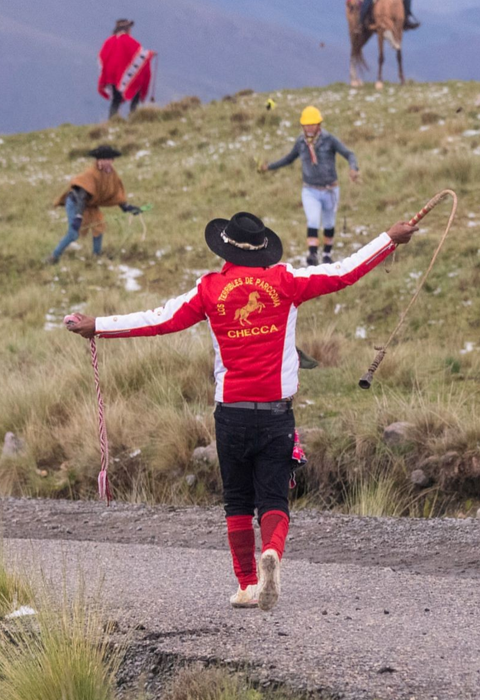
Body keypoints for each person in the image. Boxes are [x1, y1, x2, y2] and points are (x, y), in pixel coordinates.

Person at [65, 210, 417, 611]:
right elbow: (344, 271)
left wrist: (99, 326)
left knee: (236, 501)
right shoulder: (286, 281)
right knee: (273, 499)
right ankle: (272, 552)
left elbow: (160, 320)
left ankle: (247, 585)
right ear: (263, 247)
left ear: (225, 248)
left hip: (230, 412)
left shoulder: (210, 289)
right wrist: (389, 238)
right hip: (275, 413)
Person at [261, 106, 359, 266]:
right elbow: (289, 159)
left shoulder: (329, 139)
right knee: (313, 220)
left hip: (330, 190)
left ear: (319, 124)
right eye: (306, 125)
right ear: (302, 126)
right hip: (310, 190)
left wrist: (353, 168)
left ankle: (327, 254)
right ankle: (312, 255)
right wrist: (269, 167)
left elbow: (349, 154)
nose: (309, 128)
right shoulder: (300, 143)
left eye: (312, 124)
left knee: (329, 223)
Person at [47, 145, 142, 263]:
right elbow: (81, 196)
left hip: (90, 205)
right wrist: (78, 216)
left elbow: (116, 193)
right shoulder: (90, 174)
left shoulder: (112, 174)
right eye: (104, 159)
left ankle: (96, 255)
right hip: (75, 203)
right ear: (98, 160)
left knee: (99, 226)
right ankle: (53, 257)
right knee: (73, 234)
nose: (108, 162)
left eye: (110, 159)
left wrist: (127, 207)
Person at [98, 19, 154, 119]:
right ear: (127, 29)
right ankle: (133, 116)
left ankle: (112, 120)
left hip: (111, 76)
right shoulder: (130, 41)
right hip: (123, 75)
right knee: (136, 92)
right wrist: (150, 54)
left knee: (116, 99)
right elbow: (140, 57)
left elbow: (102, 57)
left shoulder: (108, 42)